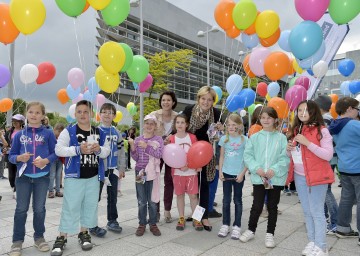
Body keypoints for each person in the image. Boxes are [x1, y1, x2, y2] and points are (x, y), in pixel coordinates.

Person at [50, 100, 110, 256]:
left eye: (85, 111)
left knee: (90, 206)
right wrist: (77, 149)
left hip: (93, 176)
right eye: (79, 111)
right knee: (71, 206)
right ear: (75, 114)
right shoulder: (68, 131)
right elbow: (59, 150)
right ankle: (61, 237)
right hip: (74, 176)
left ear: (91, 113)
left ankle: (84, 233)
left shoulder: (99, 132)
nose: (83, 114)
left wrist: (99, 149)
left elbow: (107, 152)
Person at [8, 102, 57, 256]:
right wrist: (20, 158)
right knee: (21, 209)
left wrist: (45, 161)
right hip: (23, 178)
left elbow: (55, 153)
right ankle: (17, 241)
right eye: (31, 112)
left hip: (42, 178)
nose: (33, 115)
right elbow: (11, 156)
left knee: (39, 209)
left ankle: (39, 237)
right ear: (26, 114)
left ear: (43, 116)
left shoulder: (48, 133)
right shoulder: (19, 135)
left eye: (37, 113)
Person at [287, 100, 335, 256]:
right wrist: (289, 150)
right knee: (307, 212)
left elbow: (327, 155)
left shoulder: (323, 131)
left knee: (317, 212)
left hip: (318, 176)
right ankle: (312, 241)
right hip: (300, 176)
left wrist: (307, 143)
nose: (302, 113)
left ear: (314, 111)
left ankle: (321, 246)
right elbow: (296, 156)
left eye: (306, 110)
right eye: (299, 110)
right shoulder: (296, 130)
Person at [240, 107, 289, 248]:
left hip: (276, 178)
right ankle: (251, 230)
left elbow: (285, 158)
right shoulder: (254, 137)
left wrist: (275, 169)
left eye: (269, 117)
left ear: (275, 120)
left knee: (273, 207)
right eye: (263, 117)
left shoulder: (281, 138)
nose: (266, 120)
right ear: (259, 119)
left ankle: (270, 234)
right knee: (257, 206)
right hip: (259, 178)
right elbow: (248, 156)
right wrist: (257, 169)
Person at [183, 85, 223, 231]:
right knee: (193, 186)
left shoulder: (217, 113)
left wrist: (220, 130)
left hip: (207, 155)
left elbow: (218, 138)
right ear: (198, 98)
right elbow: (181, 128)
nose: (206, 102)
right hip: (191, 153)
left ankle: (203, 216)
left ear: (213, 101)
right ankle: (195, 214)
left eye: (209, 100)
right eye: (203, 99)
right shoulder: (188, 110)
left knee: (205, 185)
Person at [89, 103, 126, 237]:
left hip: (113, 170)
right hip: (98, 170)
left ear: (114, 116)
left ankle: (112, 220)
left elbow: (122, 151)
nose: (107, 115)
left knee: (112, 196)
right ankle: (91, 222)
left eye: (110, 112)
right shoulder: (95, 131)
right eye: (104, 112)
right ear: (100, 114)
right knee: (95, 197)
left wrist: (121, 168)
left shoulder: (117, 132)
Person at [328, 97, 360, 244]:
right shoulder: (354, 124)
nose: (358, 112)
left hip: (345, 168)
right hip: (358, 167)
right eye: (357, 109)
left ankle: (342, 228)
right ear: (349, 109)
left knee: (346, 199)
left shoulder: (334, 125)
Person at [129, 114, 164, 236]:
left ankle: (153, 223)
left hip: (153, 173)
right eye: (147, 123)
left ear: (155, 126)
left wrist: (147, 146)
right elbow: (136, 157)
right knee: (142, 200)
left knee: (153, 200)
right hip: (140, 172)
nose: (149, 126)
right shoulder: (138, 139)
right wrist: (133, 147)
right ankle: (142, 223)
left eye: (152, 123)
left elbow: (159, 154)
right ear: (143, 125)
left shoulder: (158, 140)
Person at [168, 114, 200, 231]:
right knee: (180, 195)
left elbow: (196, 153)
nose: (180, 125)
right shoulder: (172, 138)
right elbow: (170, 156)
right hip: (177, 173)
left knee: (193, 196)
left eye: (182, 122)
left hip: (191, 172)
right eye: (177, 122)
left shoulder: (192, 137)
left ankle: (196, 218)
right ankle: (181, 218)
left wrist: (191, 165)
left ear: (186, 125)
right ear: (175, 124)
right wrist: (180, 165)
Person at [217, 113, 247, 240]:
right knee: (225, 200)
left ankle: (237, 226)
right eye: (228, 125)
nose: (230, 127)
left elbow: (247, 159)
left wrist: (242, 173)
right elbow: (222, 156)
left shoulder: (245, 140)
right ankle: (225, 224)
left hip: (239, 174)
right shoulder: (224, 139)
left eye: (233, 125)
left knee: (238, 200)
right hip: (226, 173)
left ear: (239, 126)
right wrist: (220, 171)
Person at [149, 91, 178, 223]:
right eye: (163, 100)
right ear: (160, 102)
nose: (166, 102)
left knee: (169, 181)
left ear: (173, 102)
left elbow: (181, 132)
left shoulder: (178, 117)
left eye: (168, 100)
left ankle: (167, 210)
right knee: (154, 179)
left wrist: (172, 138)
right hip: (156, 151)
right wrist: (161, 140)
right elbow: (148, 131)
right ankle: (155, 211)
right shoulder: (154, 115)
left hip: (172, 153)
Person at [314, 95, 339, 235]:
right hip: (330, 158)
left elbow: (321, 140)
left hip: (326, 159)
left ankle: (336, 221)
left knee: (325, 190)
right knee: (322, 189)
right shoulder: (329, 118)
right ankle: (324, 218)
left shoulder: (324, 120)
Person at [4, 114, 25, 199]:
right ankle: (13, 187)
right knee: (11, 176)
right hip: (10, 155)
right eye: (13, 121)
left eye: (17, 121)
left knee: (18, 174)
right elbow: (5, 143)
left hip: (21, 155)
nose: (15, 123)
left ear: (21, 122)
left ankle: (17, 190)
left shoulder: (25, 131)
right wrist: (4, 149)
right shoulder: (9, 132)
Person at [48, 123, 65, 198]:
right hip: (52, 158)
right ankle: (51, 191)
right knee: (52, 175)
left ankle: (58, 190)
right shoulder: (50, 137)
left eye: (61, 133)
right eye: (59, 132)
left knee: (58, 175)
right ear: (54, 130)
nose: (59, 134)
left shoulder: (62, 138)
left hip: (60, 158)